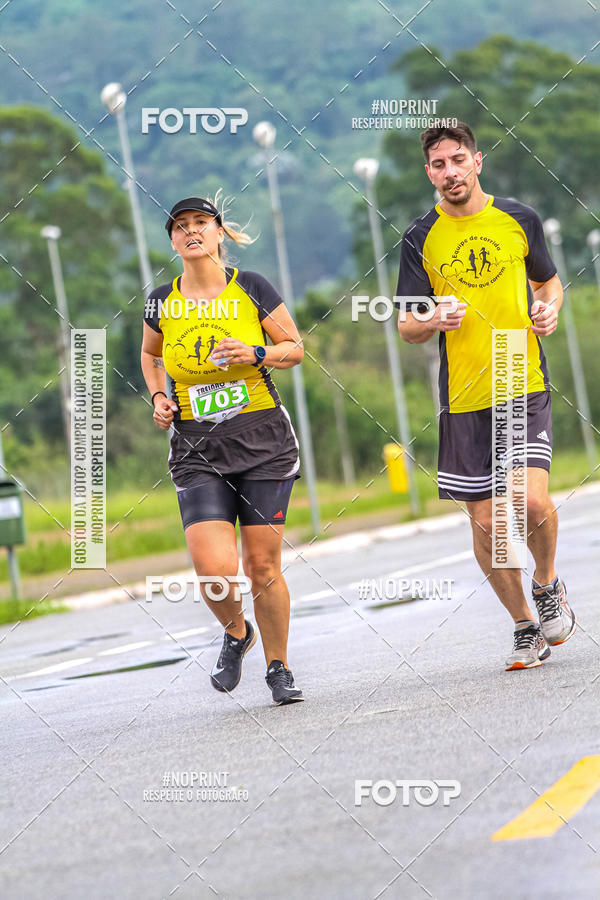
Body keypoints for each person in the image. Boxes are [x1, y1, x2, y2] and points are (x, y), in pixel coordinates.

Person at [395, 121, 576, 671]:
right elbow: (406, 323)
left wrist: (548, 309)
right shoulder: (419, 237)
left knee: (532, 502)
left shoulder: (518, 218)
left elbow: (548, 282)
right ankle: (525, 626)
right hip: (464, 397)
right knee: (488, 525)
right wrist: (431, 317)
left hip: (521, 380)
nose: (449, 172)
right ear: (429, 172)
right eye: (438, 164)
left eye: (458, 160)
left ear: (478, 162)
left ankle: (547, 584)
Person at [141, 193, 304, 704]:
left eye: (200, 223)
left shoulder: (250, 287)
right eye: (180, 226)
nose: (190, 231)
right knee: (213, 569)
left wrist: (256, 352)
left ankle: (277, 667)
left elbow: (294, 349)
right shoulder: (160, 300)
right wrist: (160, 396)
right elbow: (150, 355)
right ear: (172, 240)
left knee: (261, 565)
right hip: (197, 448)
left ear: (218, 233)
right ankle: (238, 632)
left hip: (262, 440)